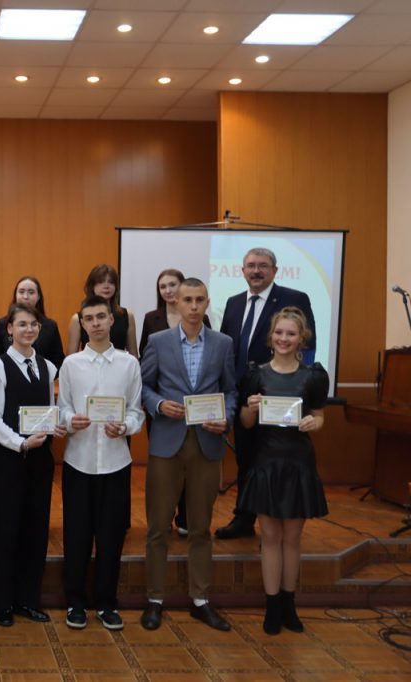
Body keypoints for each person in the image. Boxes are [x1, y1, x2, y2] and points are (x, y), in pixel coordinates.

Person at [140, 278, 237, 633]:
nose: (194, 306)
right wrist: (157, 404)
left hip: (206, 445)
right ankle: (154, 600)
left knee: (200, 528)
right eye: (187, 300)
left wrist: (226, 417)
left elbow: (231, 391)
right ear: (176, 303)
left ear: (207, 303)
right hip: (167, 443)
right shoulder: (158, 341)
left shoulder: (223, 343)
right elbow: (143, 386)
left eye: (199, 300)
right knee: (157, 528)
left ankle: (200, 600)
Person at [235, 307, 328, 635]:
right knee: (270, 537)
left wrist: (313, 422)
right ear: (270, 336)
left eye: (291, 333)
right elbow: (246, 422)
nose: (284, 338)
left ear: (301, 338)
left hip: (298, 463)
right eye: (279, 332)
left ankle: (289, 604)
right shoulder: (256, 375)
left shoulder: (313, 376)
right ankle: (272, 606)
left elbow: (320, 416)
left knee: (292, 538)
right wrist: (251, 408)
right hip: (266, 462)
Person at [217, 247, 317, 541]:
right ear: (242, 271)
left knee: (277, 458)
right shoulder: (234, 303)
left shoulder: (295, 298)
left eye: (262, 265)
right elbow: (227, 350)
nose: (256, 271)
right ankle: (244, 518)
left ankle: (279, 518)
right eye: (250, 266)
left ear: (275, 270)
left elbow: (308, 347)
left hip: (281, 396)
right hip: (244, 397)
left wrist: (299, 389)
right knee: (246, 458)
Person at [58, 296, 143, 631]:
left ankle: (107, 603)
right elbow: (63, 407)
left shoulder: (128, 364)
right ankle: (75, 602)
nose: (95, 323)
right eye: (89, 318)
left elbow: (136, 412)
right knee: (76, 536)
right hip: (77, 461)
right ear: (82, 324)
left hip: (115, 462)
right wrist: (70, 420)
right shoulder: (71, 364)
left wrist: (125, 427)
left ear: (111, 321)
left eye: (100, 317)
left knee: (111, 537)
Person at [0, 302, 67, 627]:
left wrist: (55, 427)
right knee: (6, 531)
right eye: (22, 324)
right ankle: (3, 603)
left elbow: (48, 410)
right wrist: (19, 442)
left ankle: (28, 600)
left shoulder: (47, 366)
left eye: (33, 324)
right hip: (9, 459)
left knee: (36, 530)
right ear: (9, 329)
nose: (28, 329)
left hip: (40, 460)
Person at [138, 268, 212, 537]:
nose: (168, 290)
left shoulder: (204, 322)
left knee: (193, 469)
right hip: (164, 411)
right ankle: (164, 515)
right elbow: (145, 363)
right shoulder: (152, 319)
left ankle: (185, 516)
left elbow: (209, 366)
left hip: (197, 416)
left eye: (172, 285)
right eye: (163, 286)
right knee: (166, 467)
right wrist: (157, 403)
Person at [0, 276, 65, 367]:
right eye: (21, 292)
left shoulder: (50, 325)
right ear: (16, 295)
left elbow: (58, 361)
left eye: (31, 292)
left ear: (38, 297)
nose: (25, 296)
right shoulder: (2, 324)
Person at [67, 264, 137, 357]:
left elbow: (133, 354)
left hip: (120, 364)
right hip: (88, 364)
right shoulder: (78, 318)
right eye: (101, 282)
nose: (106, 286)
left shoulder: (127, 315)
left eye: (111, 282)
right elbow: (71, 357)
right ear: (92, 286)